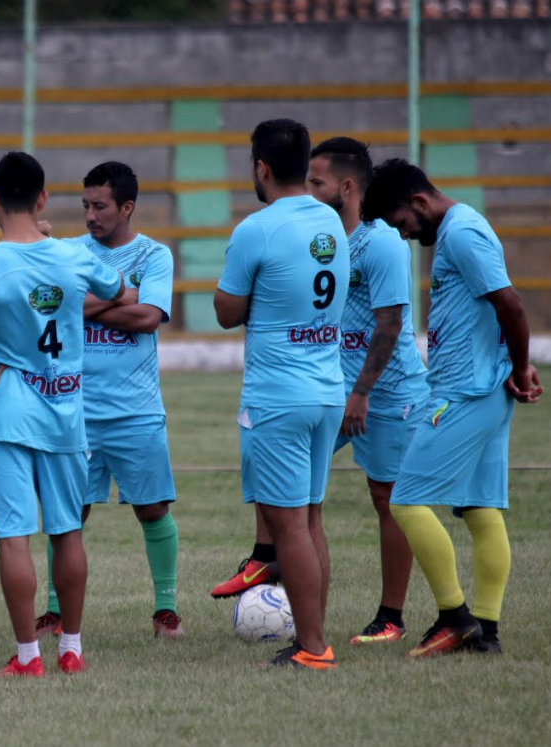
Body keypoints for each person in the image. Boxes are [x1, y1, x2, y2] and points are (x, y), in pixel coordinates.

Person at [0, 151, 125, 677]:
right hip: (64, 410)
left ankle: (28, 658)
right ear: (42, 199)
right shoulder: (73, 256)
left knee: (14, 537)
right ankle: (73, 650)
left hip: (6, 414)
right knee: (67, 532)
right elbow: (120, 290)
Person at [361, 158, 542, 657]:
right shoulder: (460, 232)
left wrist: (522, 365)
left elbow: (511, 304)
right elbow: (493, 310)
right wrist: (510, 361)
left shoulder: (461, 234)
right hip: (481, 387)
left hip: (465, 394)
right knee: (482, 510)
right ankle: (486, 632)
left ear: (419, 202)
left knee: (404, 500)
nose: (402, 234)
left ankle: (454, 616)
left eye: (401, 222)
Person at [213, 119, 349, 669]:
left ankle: (313, 646)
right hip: (327, 389)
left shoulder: (257, 228)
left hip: (279, 395)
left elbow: (225, 312)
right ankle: (314, 633)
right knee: (311, 519)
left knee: (289, 525)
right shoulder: (333, 222)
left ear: (261, 168)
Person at [33, 161, 182, 640]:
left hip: (135, 410)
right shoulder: (70, 251)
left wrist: (92, 308)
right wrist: (120, 298)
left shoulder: (154, 255)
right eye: (85, 205)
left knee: (153, 508)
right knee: (68, 514)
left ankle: (166, 610)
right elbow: (60, 310)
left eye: (100, 206)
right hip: (73, 410)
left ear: (127, 208)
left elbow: (148, 317)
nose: (90, 215)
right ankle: (55, 612)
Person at [307, 138, 430, 643]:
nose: (308, 191)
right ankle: (287, 590)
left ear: (347, 186)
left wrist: (360, 392)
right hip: (328, 384)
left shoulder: (380, 241)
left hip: (385, 390)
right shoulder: (318, 238)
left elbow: (390, 324)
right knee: (292, 484)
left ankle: (391, 617)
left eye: (317, 183)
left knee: (387, 499)